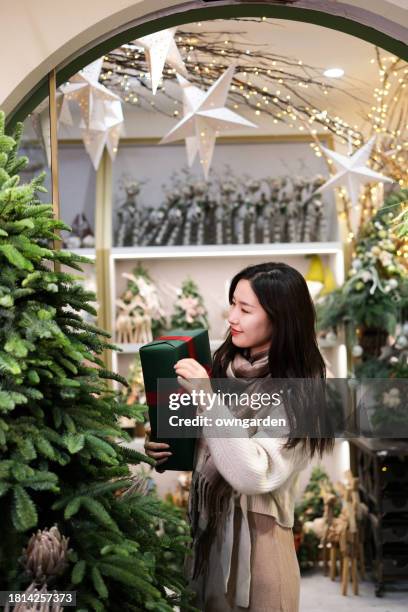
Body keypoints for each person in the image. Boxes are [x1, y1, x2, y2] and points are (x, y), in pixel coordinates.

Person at [145, 262, 335, 611]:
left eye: (245, 309)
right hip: (207, 541)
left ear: (281, 318)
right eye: (232, 304)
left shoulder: (306, 391)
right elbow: (208, 442)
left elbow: (253, 474)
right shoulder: (223, 367)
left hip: (260, 551)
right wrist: (164, 443)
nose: (231, 316)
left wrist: (207, 399)